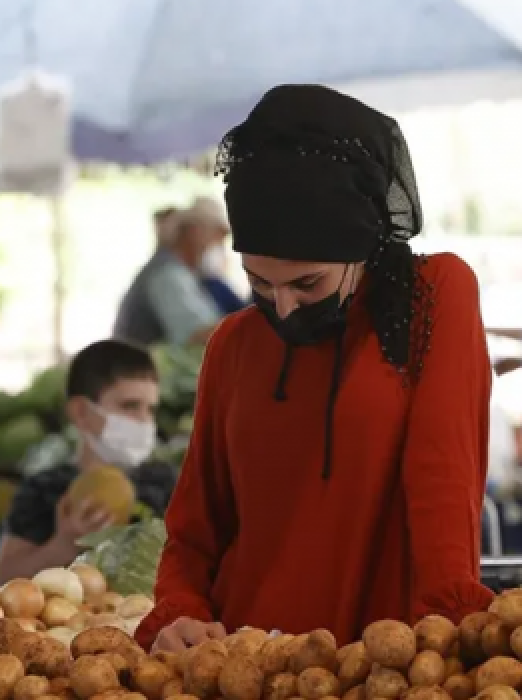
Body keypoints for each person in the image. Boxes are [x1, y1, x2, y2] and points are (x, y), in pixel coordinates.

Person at [137, 85, 493, 652]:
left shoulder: (432, 298)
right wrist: (179, 609)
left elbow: (442, 478)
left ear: (364, 244)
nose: (283, 309)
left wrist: (447, 635)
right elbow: (195, 529)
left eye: (308, 283)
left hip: (381, 665)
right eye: (258, 284)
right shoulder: (233, 343)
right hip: (241, 670)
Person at [0, 339, 176, 584]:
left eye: (150, 409)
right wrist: (65, 544)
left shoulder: (167, 482)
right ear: (80, 411)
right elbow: (4, 576)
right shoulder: (44, 489)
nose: (144, 421)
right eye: (130, 406)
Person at [113, 201, 226, 347]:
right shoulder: (167, 275)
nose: (219, 244)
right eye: (217, 235)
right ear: (194, 233)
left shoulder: (183, 273)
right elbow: (197, 334)